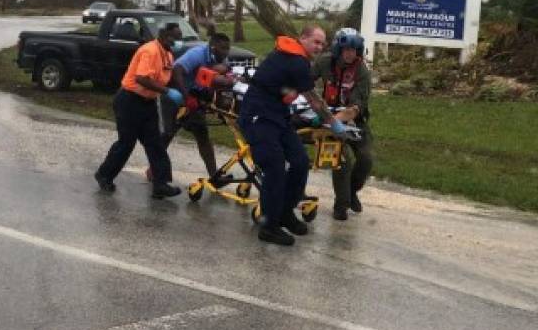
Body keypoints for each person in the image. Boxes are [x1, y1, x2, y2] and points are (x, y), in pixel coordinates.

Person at [238, 25, 348, 246]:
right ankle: (269, 227)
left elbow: (289, 91)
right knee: (275, 169)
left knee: (300, 162)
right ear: (302, 39)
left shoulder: (294, 58)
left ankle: (285, 213)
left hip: (278, 116)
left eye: (322, 43)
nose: (319, 47)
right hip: (258, 116)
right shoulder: (296, 61)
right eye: (316, 42)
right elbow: (314, 99)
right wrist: (334, 123)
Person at [94, 23, 184, 198]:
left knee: (155, 143)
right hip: (129, 100)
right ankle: (104, 175)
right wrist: (166, 92)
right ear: (165, 36)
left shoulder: (167, 54)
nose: (178, 41)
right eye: (176, 37)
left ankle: (161, 184)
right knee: (126, 142)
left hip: (148, 102)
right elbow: (141, 78)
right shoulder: (149, 51)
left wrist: (180, 92)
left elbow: (165, 77)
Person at [149, 33, 236, 184]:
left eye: (228, 48)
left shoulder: (221, 59)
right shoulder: (197, 53)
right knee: (167, 135)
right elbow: (177, 70)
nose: (226, 52)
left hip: (194, 99)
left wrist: (230, 80)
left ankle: (214, 176)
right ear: (213, 47)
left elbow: (214, 79)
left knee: (203, 136)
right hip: (174, 95)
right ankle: (153, 171)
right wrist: (186, 97)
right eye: (223, 48)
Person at [312, 28, 374, 221]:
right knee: (342, 159)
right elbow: (304, 82)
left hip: (353, 119)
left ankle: (351, 191)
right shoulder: (324, 62)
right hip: (329, 115)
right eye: (346, 49)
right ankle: (341, 205)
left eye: (355, 50)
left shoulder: (362, 71)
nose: (350, 54)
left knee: (366, 158)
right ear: (338, 49)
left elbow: (355, 108)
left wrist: (333, 121)